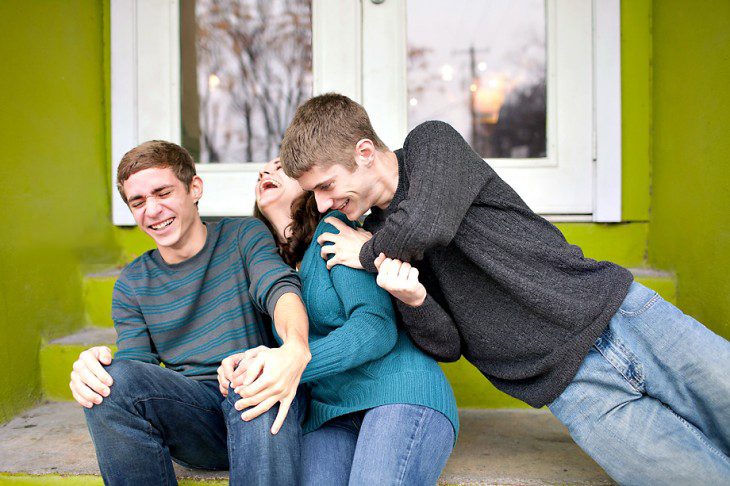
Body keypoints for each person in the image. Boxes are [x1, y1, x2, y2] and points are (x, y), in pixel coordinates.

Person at [276, 93, 730, 485]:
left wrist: (369, 253)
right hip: (574, 389)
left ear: (364, 152)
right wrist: (412, 300)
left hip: (624, 318)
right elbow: (447, 344)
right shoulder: (379, 238)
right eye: (313, 193)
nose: (321, 204)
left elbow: (427, 223)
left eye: (326, 185)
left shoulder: (430, 146)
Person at [68, 141, 311, 485]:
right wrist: (97, 372)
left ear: (194, 188)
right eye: (138, 202)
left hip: (261, 407)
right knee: (110, 381)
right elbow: (139, 372)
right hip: (196, 419)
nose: (152, 210)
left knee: (252, 373)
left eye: (162, 192)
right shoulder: (133, 283)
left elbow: (279, 290)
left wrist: (294, 346)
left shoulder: (242, 235)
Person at [218, 158, 459, 485]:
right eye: (261, 171)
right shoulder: (269, 274)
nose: (264, 173)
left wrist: (292, 364)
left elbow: (375, 328)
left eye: (278, 167)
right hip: (329, 415)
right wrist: (241, 364)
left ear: (308, 186)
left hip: (398, 390)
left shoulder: (333, 230)